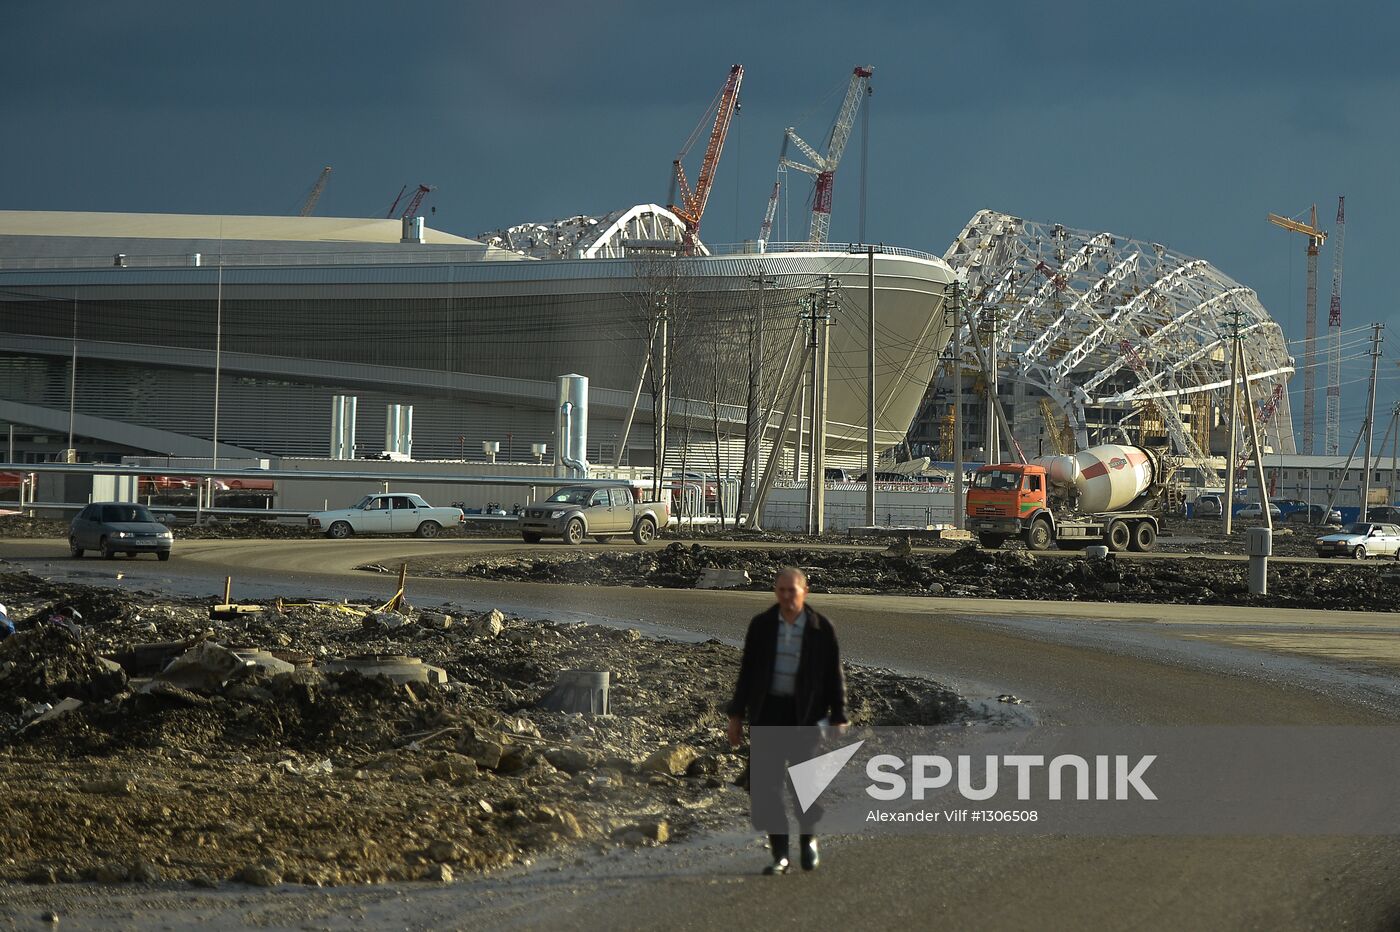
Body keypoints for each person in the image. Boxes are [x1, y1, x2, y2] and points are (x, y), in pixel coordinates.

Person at [727, 567, 847, 875]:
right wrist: (736, 715)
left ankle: (808, 838)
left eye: (792, 590)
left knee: (803, 785)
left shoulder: (821, 629)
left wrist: (839, 714)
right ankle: (780, 854)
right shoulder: (762, 626)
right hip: (768, 714)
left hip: (806, 717)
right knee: (765, 788)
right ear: (775, 591)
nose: (786, 596)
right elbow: (747, 673)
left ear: (805, 591)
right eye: (781, 590)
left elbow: (834, 675)